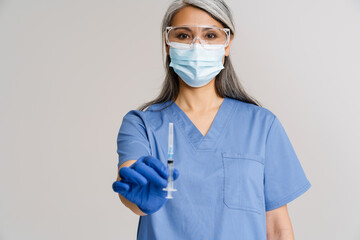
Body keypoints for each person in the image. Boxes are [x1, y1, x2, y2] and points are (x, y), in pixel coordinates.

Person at [112, 0, 312, 239]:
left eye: (210, 35)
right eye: (184, 35)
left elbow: (278, 228)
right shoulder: (142, 125)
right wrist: (138, 197)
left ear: (227, 44)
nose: (197, 46)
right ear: (168, 43)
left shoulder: (262, 126)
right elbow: (130, 180)